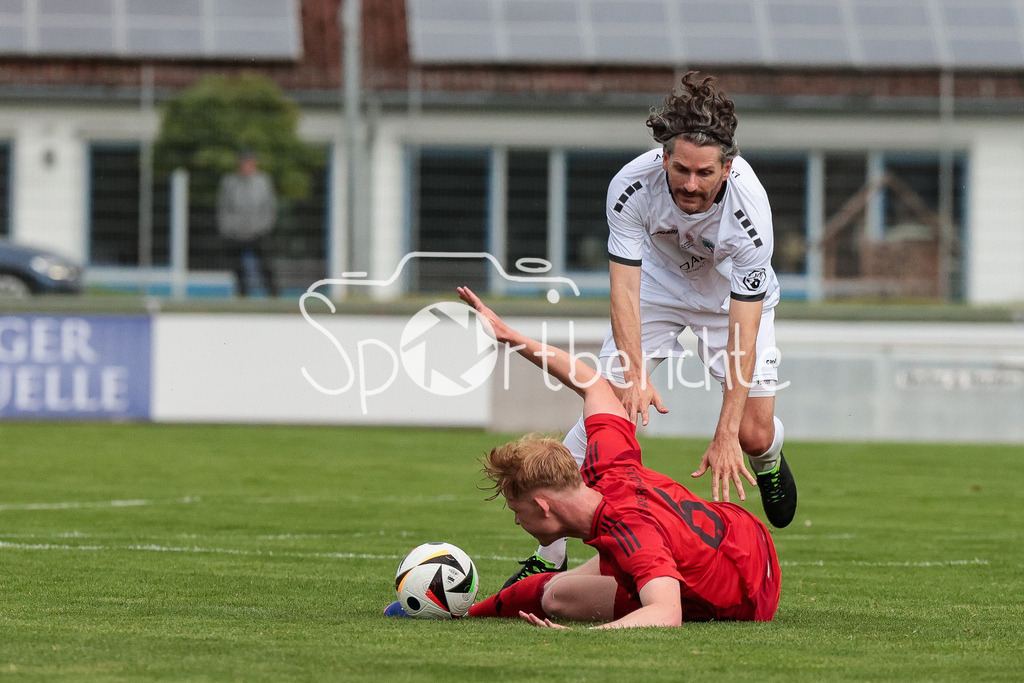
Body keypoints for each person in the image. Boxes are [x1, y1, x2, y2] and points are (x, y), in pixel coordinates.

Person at [503, 71, 797, 588]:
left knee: (751, 433)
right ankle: (550, 555)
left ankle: (769, 456)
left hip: (726, 295)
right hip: (657, 287)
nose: (689, 183)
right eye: (680, 168)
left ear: (727, 168)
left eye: (704, 173)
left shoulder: (752, 218)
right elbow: (623, 291)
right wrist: (635, 375)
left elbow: (742, 335)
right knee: (607, 411)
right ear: (663, 158)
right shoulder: (631, 187)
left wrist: (726, 434)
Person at [386, 286, 781, 627]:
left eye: (516, 509)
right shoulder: (606, 465)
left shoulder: (630, 531)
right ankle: (466, 613)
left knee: (559, 597)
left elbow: (665, 614)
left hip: (748, 591)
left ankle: (466, 612)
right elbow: (593, 384)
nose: (517, 519)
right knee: (560, 587)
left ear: (542, 505)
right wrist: (508, 336)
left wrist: (584, 637)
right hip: (744, 534)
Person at [216, 149, 279, 297]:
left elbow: (269, 207)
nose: (246, 166)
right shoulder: (230, 182)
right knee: (237, 266)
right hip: (236, 232)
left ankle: (273, 294)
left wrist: (265, 227)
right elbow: (223, 206)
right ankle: (242, 293)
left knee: (265, 265)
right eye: (243, 162)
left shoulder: (264, 181)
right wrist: (227, 228)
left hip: (259, 231)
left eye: (249, 162)